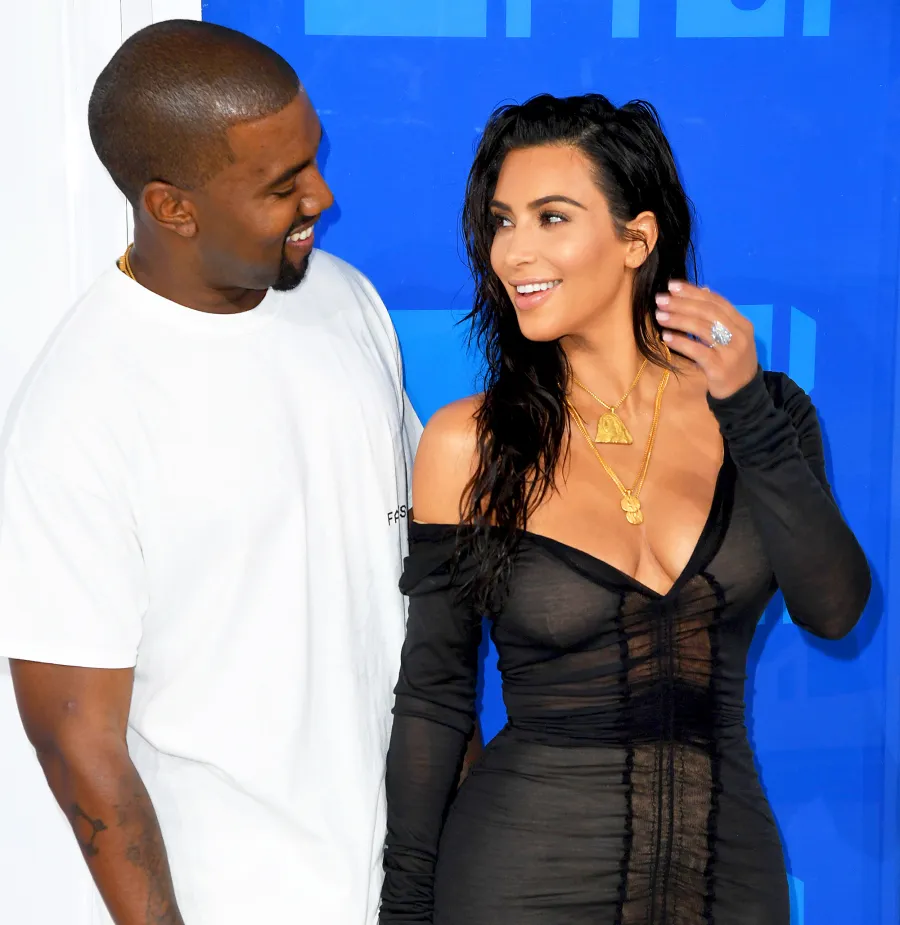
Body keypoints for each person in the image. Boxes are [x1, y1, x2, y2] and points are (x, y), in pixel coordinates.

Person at [379, 93, 871, 925]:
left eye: (551, 217)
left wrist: (747, 409)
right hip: (516, 879)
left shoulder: (768, 415)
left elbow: (835, 609)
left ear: (637, 239)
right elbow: (433, 696)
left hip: (728, 879)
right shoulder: (470, 442)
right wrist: (404, 911)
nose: (514, 252)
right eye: (502, 222)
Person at [0, 19, 426, 925]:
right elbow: (80, 747)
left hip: (409, 881)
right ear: (173, 207)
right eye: (283, 185)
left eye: (312, 160)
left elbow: (409, 574)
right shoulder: (81, 407)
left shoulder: (346, 302)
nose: (323, 194)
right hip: (239, 898)